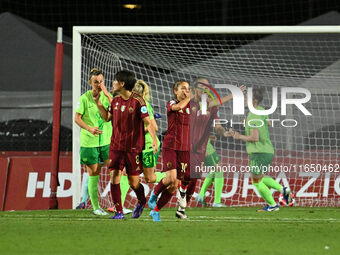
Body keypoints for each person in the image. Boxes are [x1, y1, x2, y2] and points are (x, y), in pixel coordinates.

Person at [95, 70, 159, 220]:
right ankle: (119, 212)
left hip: (133, 148)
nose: (113, 83)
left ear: (122, 84)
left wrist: (154, 140)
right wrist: (98, 103)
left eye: (116, 81)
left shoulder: (138, 101)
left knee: (133, 182)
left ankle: (141, 200)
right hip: (116, 146)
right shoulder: (115, 101)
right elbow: (107, 117)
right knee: (114, 175)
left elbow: (148, 122)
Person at [175, 77, 233, 219]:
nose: (205, 90)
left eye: (208, 88)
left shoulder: (211, 106)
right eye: (202, 87)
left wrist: (224, 133)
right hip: (188, 144)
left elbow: (217, 126)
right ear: (195, 88)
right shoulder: (186, 103)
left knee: (213, 169)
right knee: (186, 176)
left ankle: (202, 197)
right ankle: (213, 200)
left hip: (203, 144)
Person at [228, 88, 294, 211]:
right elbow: (268, 123)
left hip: (259, 152)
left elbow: (254, 137)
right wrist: (248, 122)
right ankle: (283, 190)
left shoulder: (253, 115)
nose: (244, 100)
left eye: (246, 97)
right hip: (267, 150)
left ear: (254, 100)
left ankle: (273, 205)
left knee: (256, 181)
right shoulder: (261, 110)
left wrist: (239, 136)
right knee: (261, 177)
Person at [148, 79, 191, 222]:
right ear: (176, 91)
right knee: (172, 179)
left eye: (188, 88)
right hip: (171, 145)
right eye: (183, 88)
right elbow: (177, 108)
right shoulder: (171, 103)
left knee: (173, 186)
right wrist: (190, 97)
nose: (186, 91)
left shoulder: (192, 107)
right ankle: (154, 194)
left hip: (185, 149)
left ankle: (155, 211)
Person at [74, 68, 110, 216]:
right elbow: (77, 118)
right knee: (94, 173)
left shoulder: (108, 97)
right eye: (96, 82)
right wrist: (89, 129)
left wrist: (107, 94)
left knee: (116, 170)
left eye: (101, 81)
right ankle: (95, 207)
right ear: (90, 83)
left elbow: (110, 116)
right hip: (90, 142)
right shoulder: (84, 98)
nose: (99, 84)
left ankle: (118, 206)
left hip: (107, 141)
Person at [132, 80, 166, 183]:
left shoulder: (143, 105)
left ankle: (172, 176)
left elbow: (153, 126)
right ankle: (119, 199)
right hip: (138, 146)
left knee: (149, 178)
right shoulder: (134, 104)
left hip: (148, 145)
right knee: (126, 172)